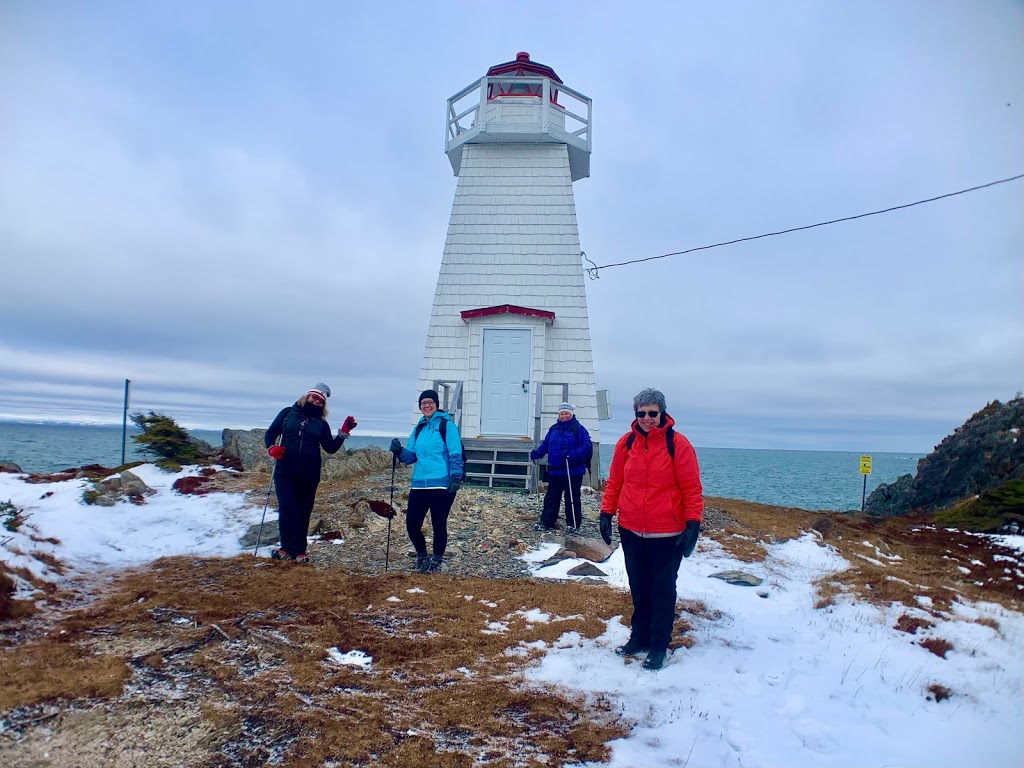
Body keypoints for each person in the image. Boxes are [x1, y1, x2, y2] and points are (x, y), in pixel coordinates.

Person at [599, 387, 702, 670]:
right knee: (639, 587)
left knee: (662, 589)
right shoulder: (626, 443)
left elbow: (692, 488)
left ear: (662, 413)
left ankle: (658, 645)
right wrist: (606, 513)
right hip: (631, 530)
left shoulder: (678, 445)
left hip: (668, 534)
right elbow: (615, 481)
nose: (647, 418)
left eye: (652, 413)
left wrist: (693, 522)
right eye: (641, 413)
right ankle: (639, 638)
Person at [265, 383, 357, 564]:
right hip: (285, 471)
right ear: (307, 396)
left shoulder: (321, 424)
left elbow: (330, 448)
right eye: (314, 397)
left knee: (303, 510)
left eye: (320, 401)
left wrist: (343, 433)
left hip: (309, 473)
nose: (316, 401)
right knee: (287, 508)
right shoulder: (287, 414)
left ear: (323, 405)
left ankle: (300, 551)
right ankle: (285, 548)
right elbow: (270, 433)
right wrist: (272, 448)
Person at [390, 389, 465, 573]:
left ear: (436, 404)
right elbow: (411, 456)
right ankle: (422, 557)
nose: (427, 405)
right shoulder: (419, 428)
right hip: (419, 484)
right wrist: (399, 451)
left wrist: (456, 476)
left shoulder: (447, 426)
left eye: (430, 402)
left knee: (439, 523)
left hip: (442, 483)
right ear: (420, 406)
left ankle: (437, 561)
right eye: (423, 403)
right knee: (412, 524)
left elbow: (455, 452)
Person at [530, 402, 592, 533]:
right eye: (562, 413)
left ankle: (573, 524)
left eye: (566, 413)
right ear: (559, 415)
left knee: (572, 498)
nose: (564, 416)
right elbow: (546, 444)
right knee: (551, 497)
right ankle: (546, 522)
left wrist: (571, 454)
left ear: (571, 414)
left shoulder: (578, 428)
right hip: (555, 470)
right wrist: (538, 453)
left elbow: (586, 446)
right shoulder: (553, 429)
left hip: (572, 470)